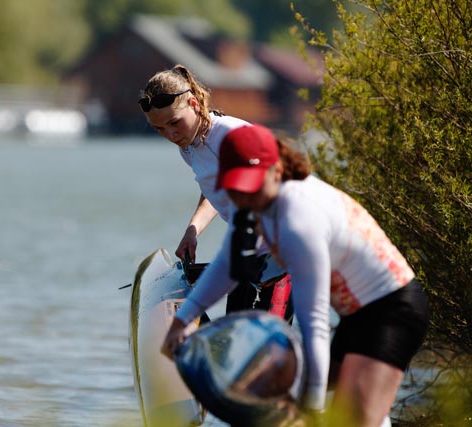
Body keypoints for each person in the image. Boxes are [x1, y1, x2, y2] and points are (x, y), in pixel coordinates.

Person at [161, 124, 430, 427]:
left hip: (393, 311)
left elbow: (313, 321)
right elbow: (227, 267)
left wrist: (313, 409)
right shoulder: (250, 203)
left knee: (351, 419)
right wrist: (181, 322)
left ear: (277, 169)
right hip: (355, 315)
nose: (246, 197)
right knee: (271, 388)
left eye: (252, 185)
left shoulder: (300, 220)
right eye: (237, 187)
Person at [139, 65, 292, 317]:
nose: (170, 134)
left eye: (174, 122)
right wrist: (193, 230)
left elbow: (285, 187)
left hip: (281, 258)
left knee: (264, 348)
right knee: (234, 338)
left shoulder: (232, 134)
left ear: (194, 104)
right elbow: (212, 189)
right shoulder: (190, 146)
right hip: (245, 255)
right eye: (159, 129)